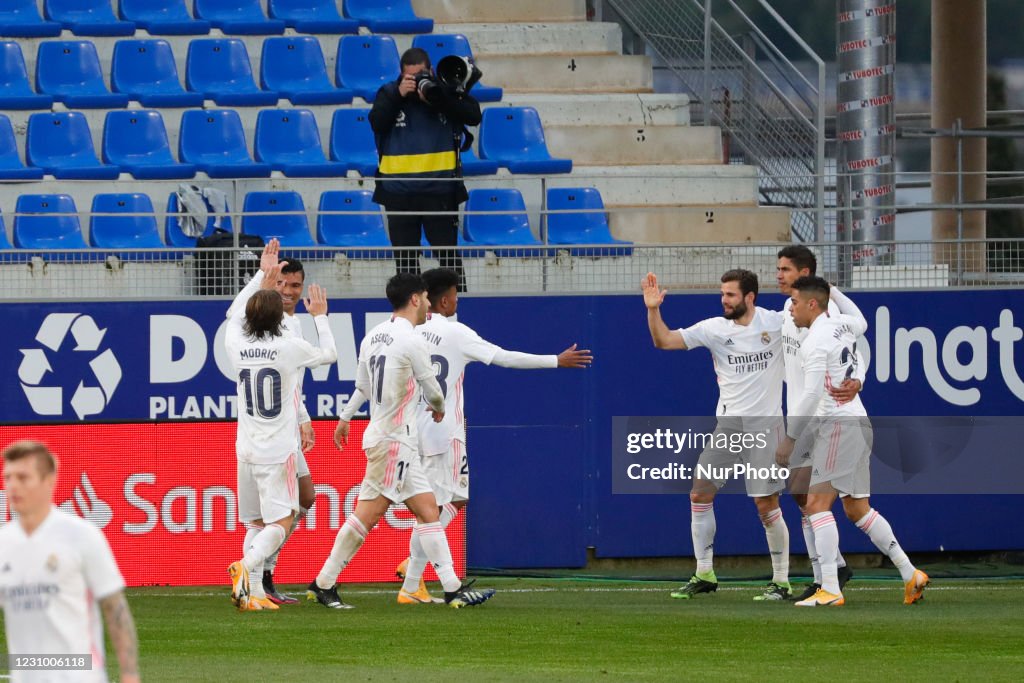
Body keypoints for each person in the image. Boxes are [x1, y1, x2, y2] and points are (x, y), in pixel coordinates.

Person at [335, 268, 593, 604]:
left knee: (438, 504)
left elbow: (369, 385)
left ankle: (413, 575)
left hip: (412, 432)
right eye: (455, 295)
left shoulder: (406, 334)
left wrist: (345, 417)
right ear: (443, 300)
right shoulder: (454, 332)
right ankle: (417, 573)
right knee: (439, 507)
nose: (457, 300)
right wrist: (554, 361)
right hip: (444, 433)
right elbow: (504, 357)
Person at [310, 273, 495, 609]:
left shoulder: (373, 336)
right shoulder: (412, 340)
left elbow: (362, 387)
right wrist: (438, 409)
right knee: (366, 516)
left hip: (392, 438)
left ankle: (452, 588)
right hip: (394, 440)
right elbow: (434, 390)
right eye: (425, 298)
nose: (428, 305)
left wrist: (345, 417)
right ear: (414, 299)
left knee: (428, 511)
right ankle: (323, 582)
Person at [778, 276, 929, 606]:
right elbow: (862, 320)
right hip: (858, 422)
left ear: (812, 304)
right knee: (857, 510)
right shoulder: (841, 324)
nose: (791, 308)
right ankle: (910, 573)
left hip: (839, 427)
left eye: (796, 302)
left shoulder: (816, 340)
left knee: (815, 505)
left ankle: (830, 588)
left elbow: (812, 394)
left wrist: (789, 438)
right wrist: (836, 291)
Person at [643, 270, 793, 601]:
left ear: (750, 297)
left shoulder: (778, 322)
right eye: (722, 294)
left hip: (766, 426)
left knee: (765, 504)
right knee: (699, 493)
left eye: (731, 295)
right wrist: (653, 309)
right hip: (728, 427)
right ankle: (704, 573)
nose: (724, 300)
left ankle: (781, 582)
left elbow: (818, 318)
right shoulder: (713, 328)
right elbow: (664, 340)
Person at [224, 240, 338, 611]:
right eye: (280, 288)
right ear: (275, 311)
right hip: (278, 447)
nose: (288, 294)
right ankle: (250, 568)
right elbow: (331, 356)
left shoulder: (236, 340)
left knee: (263, 518)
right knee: (280, 519)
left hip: (247, 446)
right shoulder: (289, 341)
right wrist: (322, 316)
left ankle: (254, 592)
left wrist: (261, 273)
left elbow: (235, 312)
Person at [0, 440, 140, 683]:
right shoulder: (4, 543)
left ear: (49, 481)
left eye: (23, 478)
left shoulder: (82, 536)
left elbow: (115, 608)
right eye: (8, 477)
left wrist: (130, 674)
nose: (13, 486)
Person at [776, 245, 865, 601]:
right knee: (799, 491)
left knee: (823, 502)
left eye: (785, 270)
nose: (779, 275)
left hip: (824, 418)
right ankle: (830, 570)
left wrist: (859, 380)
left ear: (806, 274)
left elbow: (857, 351)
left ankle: (828, 580)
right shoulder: (786, 311)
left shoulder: (827, 318)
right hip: (801, 413)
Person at [369, 47, 482, 291]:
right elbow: (377, 122)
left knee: (448, 261)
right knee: (406, 266)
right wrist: (399, 95)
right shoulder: (389, 93)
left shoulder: (443, 92)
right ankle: (411, 318)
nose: (417, 81)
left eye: (421, 75)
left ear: (430, 71)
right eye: (411, 77)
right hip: (399, 195)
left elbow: (474, 115)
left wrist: (441, 97)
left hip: (440, 192)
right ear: (401, 75)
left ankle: (455, 312)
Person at [258, 258, 317, 605]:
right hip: (271, 431)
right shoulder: (266, 324)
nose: (288, 291)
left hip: (289, 426)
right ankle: (258, 575)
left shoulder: (294, 325)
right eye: (282, 284)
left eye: (295, 285)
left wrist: (304, 417)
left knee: (304, 498)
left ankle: (264, 573)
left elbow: (292, 383)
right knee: (278, 509)